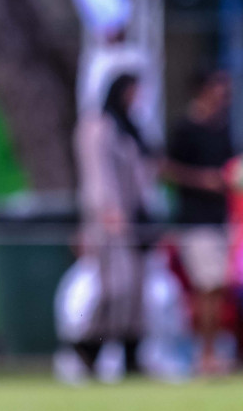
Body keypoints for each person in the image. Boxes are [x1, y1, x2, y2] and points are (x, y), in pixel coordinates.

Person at [74, 67, 155, 379]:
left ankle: (131, 354)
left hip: (136, 220)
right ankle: (86, 344)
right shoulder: (98, 126)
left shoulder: (130, 126)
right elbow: (97, 173)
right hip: (109, 219)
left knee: (136, 290)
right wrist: (107, 208)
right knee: (115, 286)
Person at [163, 70, 235, 375]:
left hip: (220, 218)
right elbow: (166, 168)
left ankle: (211, 353)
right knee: (206, 287)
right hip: (195, 220)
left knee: (217, 289)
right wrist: (202, 180)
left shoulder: (222, 128)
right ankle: (203, 355)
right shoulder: (185, 128)